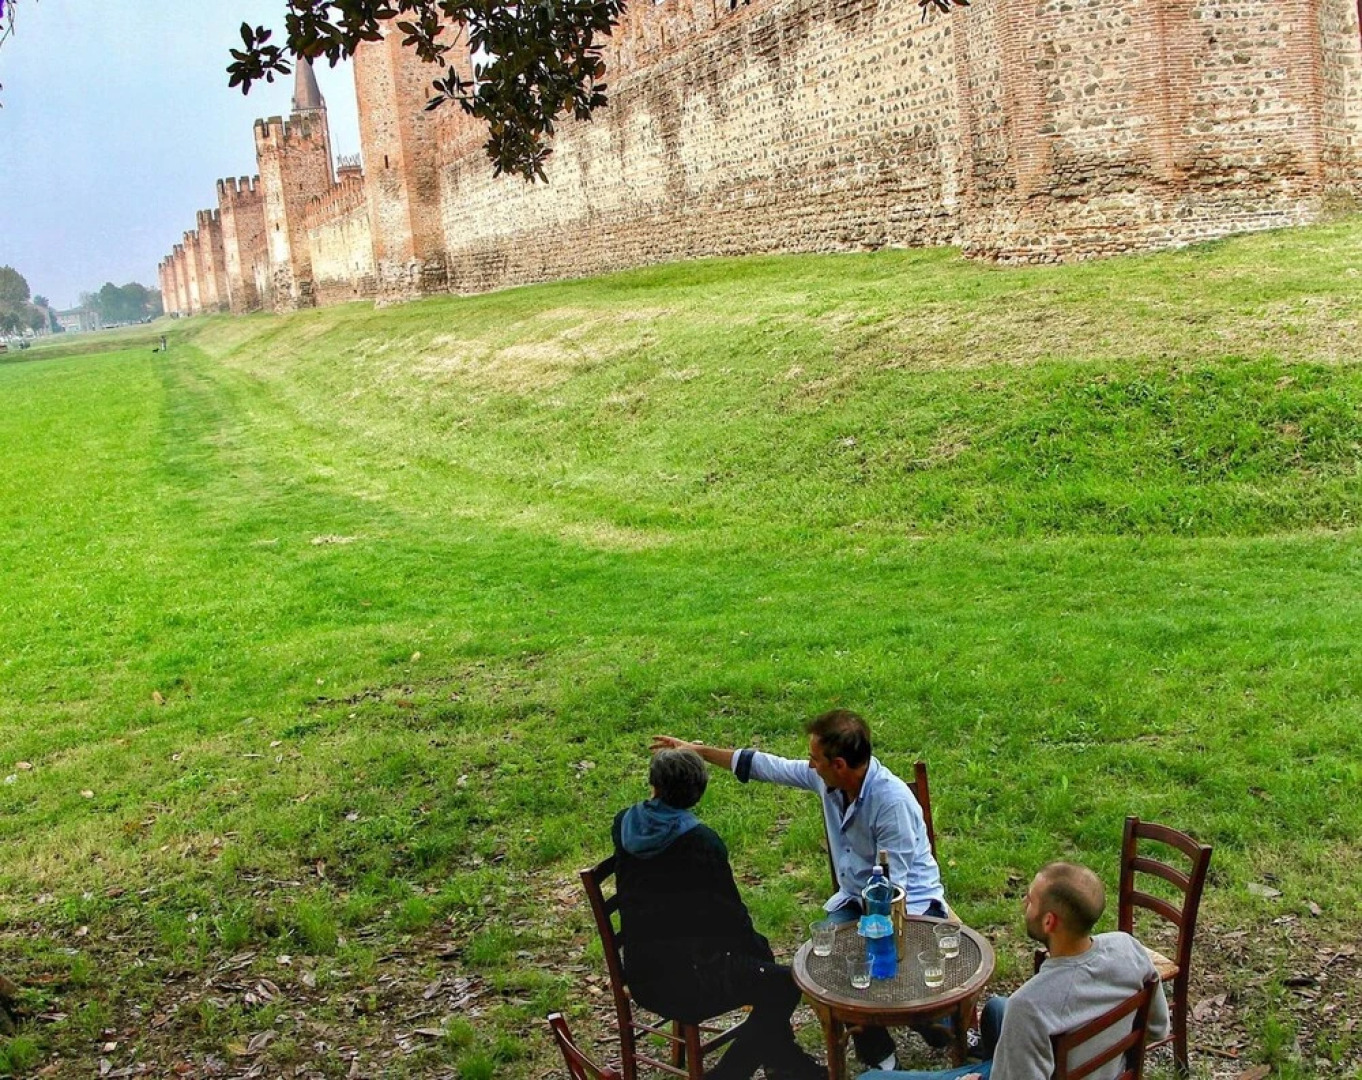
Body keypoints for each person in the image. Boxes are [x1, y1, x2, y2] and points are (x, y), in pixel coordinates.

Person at [652, 709, 946, 1069]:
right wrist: (700, 752)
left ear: (838, 764)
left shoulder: (892, 803)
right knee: (832, 968)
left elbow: (892, 890)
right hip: (855, 899)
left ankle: (934, 1022)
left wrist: (861, 937)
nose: (809, 764)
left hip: (909, 905)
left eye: (814, 758)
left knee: (860, 963)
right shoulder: (828, 780)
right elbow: (767, 766)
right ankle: (881, 1056)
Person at [612, 748, 825, 1080]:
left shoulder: (624, 823)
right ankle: (730, 1074)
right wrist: (759, 950)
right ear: (698, 794)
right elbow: (730, 919)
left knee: (764, 968)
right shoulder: (701, 844)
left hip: (641, 971)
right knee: (784, 982)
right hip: (690, 980)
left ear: (653, 785)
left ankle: (783, 1062)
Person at [862, 862, 1170, 1080]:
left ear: (1049, 922)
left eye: (1031, 899)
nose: (1024, 902)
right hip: (1104, 1070)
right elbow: (1156, 1028)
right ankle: (995, 1059)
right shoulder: (1128, 948)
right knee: (997, 1008)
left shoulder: (1030, 1007)